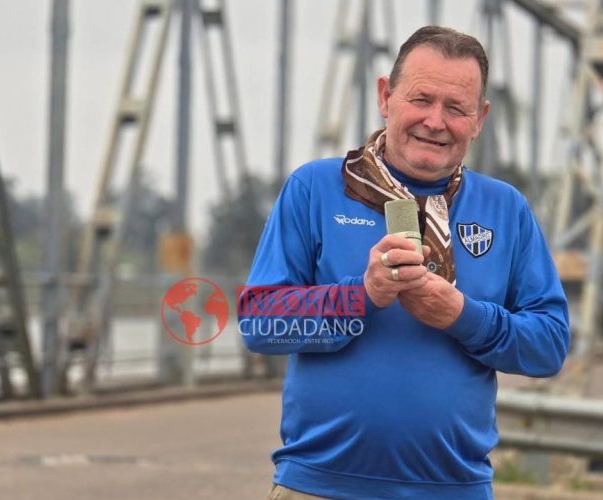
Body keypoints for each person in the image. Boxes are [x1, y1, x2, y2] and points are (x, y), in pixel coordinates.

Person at [240, 26, 571, 500]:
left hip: (455, 489)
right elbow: (259, 324)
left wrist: (463, 317)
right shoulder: (316, 188)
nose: (435, 121)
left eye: (456, 108)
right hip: (318, 486)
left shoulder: (506, 208)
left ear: (479, 119)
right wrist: (361, 296)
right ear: (385, 96)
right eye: (421, 99)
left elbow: (550, 346)